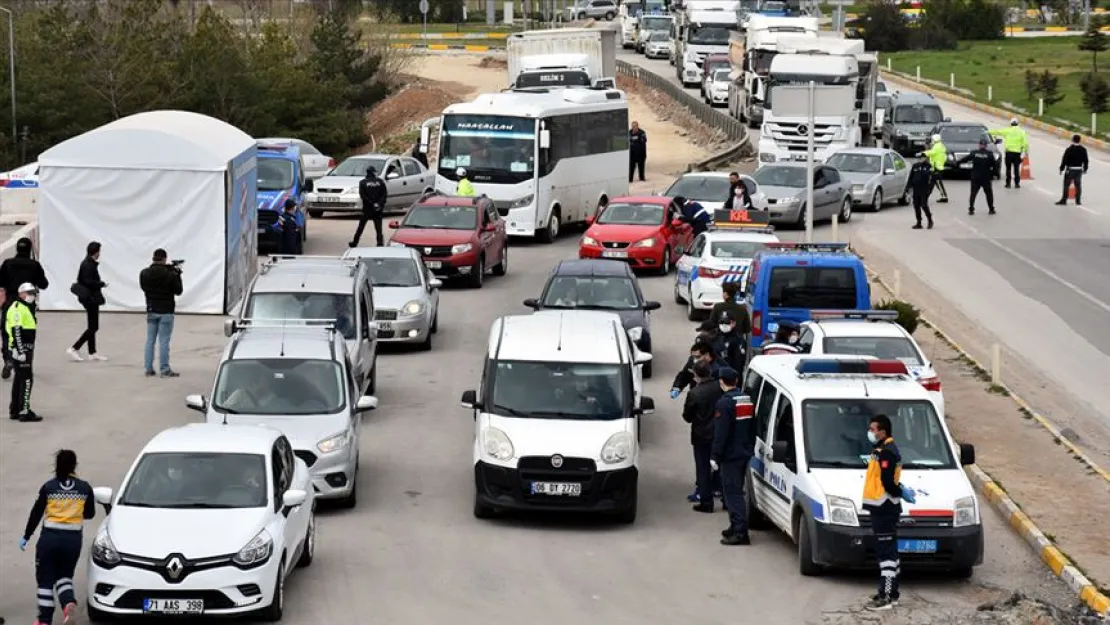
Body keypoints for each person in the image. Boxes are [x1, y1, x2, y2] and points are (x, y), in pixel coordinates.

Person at [21, 449, 95, 625]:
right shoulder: (85, 488)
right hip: (72, 541)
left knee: (45, 579)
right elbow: (90, 513)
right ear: (74, 466)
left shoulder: (49, 487)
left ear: (56, 466)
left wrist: (26, 536)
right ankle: (68, 603)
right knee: (64, 576)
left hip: (50, 540)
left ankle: (44, 621)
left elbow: (36, 513)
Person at [862, 414, 917, 611]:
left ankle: (885, 597)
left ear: (882, 432)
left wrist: (899, 490)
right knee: (890, 552)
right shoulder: (882, 449)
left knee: (886, 554)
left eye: (873, 429)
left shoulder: (887, 452)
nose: (870, 432)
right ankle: (892, 593)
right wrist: (899, 488)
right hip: (883, 507)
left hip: (884, 508)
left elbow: (887, 482)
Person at [711, 368, 753, 545]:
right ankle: (735, 525)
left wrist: (715, 455)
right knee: (735, 490)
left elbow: (721, 433)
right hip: (744, 451)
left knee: (732, 493)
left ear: (722, 382)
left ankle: (740, 531)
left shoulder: (724, 403)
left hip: (730, 455)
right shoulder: (746, 399)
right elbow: (752, 426)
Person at [0, 237, 48, 379]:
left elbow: (0, 282)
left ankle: (8, 359)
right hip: (27, 304)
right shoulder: (34, 265)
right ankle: (25, 363)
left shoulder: (7, 264)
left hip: (10, 303)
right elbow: (44, 284)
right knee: (27, 334)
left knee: (7, 332)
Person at [684, 361, 724, 513]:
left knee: (703, 469)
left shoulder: (694, 393)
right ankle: (726, 499)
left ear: (696, 375)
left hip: (701, 436)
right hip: (719, 432)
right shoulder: (719, 387)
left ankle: (706, 502)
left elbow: (687, 416)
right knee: (722, 466)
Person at [139, 248, 184, 378]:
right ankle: (164, 368)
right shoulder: (169, 274)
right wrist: (177, 275)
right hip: (166, 310)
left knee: (150, 341)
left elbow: (144, 287)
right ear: (164, 259)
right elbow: (178, 290)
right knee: (164, 341)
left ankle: (148, 368)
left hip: (152, 309)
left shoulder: (144, 273)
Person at [6, 283, 41, 422]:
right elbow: (16, 331)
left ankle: (15, 409)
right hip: (21, 350)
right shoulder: (17, 308)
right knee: (27, 380)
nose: (32, 296)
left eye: (33, 293)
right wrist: (19, 351)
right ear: (21, 294)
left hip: (25, 348)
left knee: (19, 379)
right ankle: (24, 411)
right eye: (29, 293)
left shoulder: (25, 307)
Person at [67, 241, 107, 362]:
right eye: (99, 251)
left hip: (91, 297)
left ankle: (92, 352)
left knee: (92, 326)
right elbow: (87, 282)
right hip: (90, 298)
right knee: (93, 327)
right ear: (95, 252)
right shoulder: (88, 265)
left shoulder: (89, 263)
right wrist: (102, 284)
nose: (100, 254)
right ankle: (74, 348)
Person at [957, 139, 998, 216]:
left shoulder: (974, 153)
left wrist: (957, 163)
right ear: (986, 145)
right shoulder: (989, 154)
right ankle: (991, 209)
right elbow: (994, 166)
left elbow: (965, 159)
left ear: (979, 145)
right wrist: (995, 174)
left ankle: (971, 209)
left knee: (973, 194)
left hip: (975, 177)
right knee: (989, 194)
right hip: (986, 177)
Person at [350, 166, 388, 247]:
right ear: (373, 172)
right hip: (378, 209)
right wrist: (379, 204)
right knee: (378, 228)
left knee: (361, 227)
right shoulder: (380, 182)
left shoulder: (363, 182)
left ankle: (354, 242)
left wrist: (371, 203)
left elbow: (363, 195)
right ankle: (380, 243)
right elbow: (384, 195)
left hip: (367, 209)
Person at [989, 118, 1029, 189]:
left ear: (1011, 124)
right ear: (1018, 124)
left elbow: (997, 132)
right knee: (1016, 169)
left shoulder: (1008, 130)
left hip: (1009, 153)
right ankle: (1017, 184)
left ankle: (1008, 184)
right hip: (1017, 153)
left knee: (1008, 168)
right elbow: (1025, 143)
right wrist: (1026, 152)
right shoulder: (1022, 132)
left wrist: (987, 131)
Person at [1056, 134, 1088, 206]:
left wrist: (1061, 168)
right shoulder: (1083, 149)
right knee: (1078, 185)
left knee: (1066, 185)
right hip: (1079, 170)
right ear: (1079, 140)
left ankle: (1064, 199)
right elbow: (1086, 160)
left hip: (1070, 169)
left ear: (1073, 140)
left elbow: (1064, 160)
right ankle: (1078, 200)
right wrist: (1085, 168)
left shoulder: (1069, 149)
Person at [908, 154, 935, 230]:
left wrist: (929, 189)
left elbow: (932, 179)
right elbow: (911, 177)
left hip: (924, 189)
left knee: (923, 205)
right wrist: (909, 187)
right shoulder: (915, 166)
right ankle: (919, 222)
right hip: (916, 189)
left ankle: (930, 220)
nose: (922, 159)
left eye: (924, 158)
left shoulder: (929, 167)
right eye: (921, 158)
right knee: (916, 206)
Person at [922, 134, 949, 203]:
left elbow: (932, 152)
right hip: (938, 166)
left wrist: (923, 153)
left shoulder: (937, 146)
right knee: (937, 183)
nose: (931, 141)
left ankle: (925, 198)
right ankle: (944, 196)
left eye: (932, 140)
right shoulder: (941, 145)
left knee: (932, 183)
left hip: (936, 167)